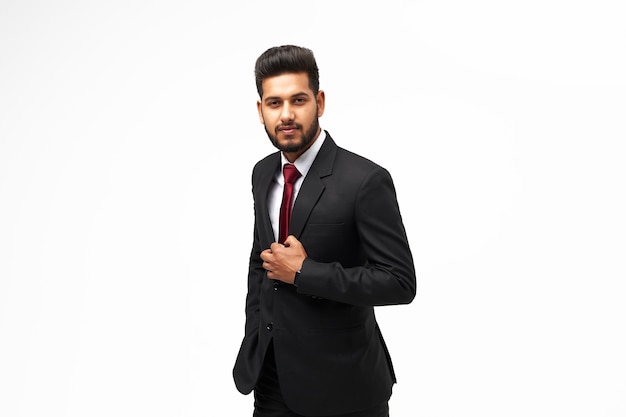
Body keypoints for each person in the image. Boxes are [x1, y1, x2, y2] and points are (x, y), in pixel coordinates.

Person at [233, 45, 417, 417]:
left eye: (298, 100)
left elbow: (399, 282)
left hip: (344, 387)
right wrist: (256, 333)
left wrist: (304, 272)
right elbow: (260, 261)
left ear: (319, 101)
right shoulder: (262, 173)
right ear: (260, 110)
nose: (286, 114)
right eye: (274, 103)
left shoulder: (365, 180)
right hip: (271, 378)